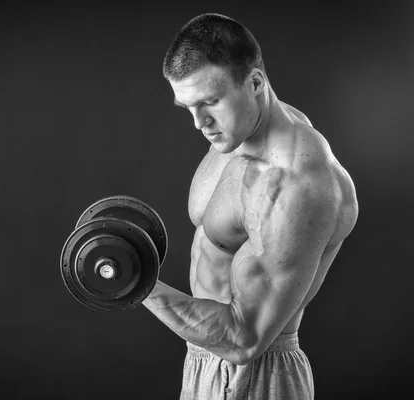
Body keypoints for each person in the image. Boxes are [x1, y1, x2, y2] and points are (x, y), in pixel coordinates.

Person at [142, 13, 359, 399]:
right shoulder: (237, 130)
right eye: (187, 107)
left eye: (210, 102)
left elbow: (244, 339)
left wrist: (136, 285)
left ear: (255, 83)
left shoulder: (294, 183)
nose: (199, 123)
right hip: (204, 361)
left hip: (254, 377)